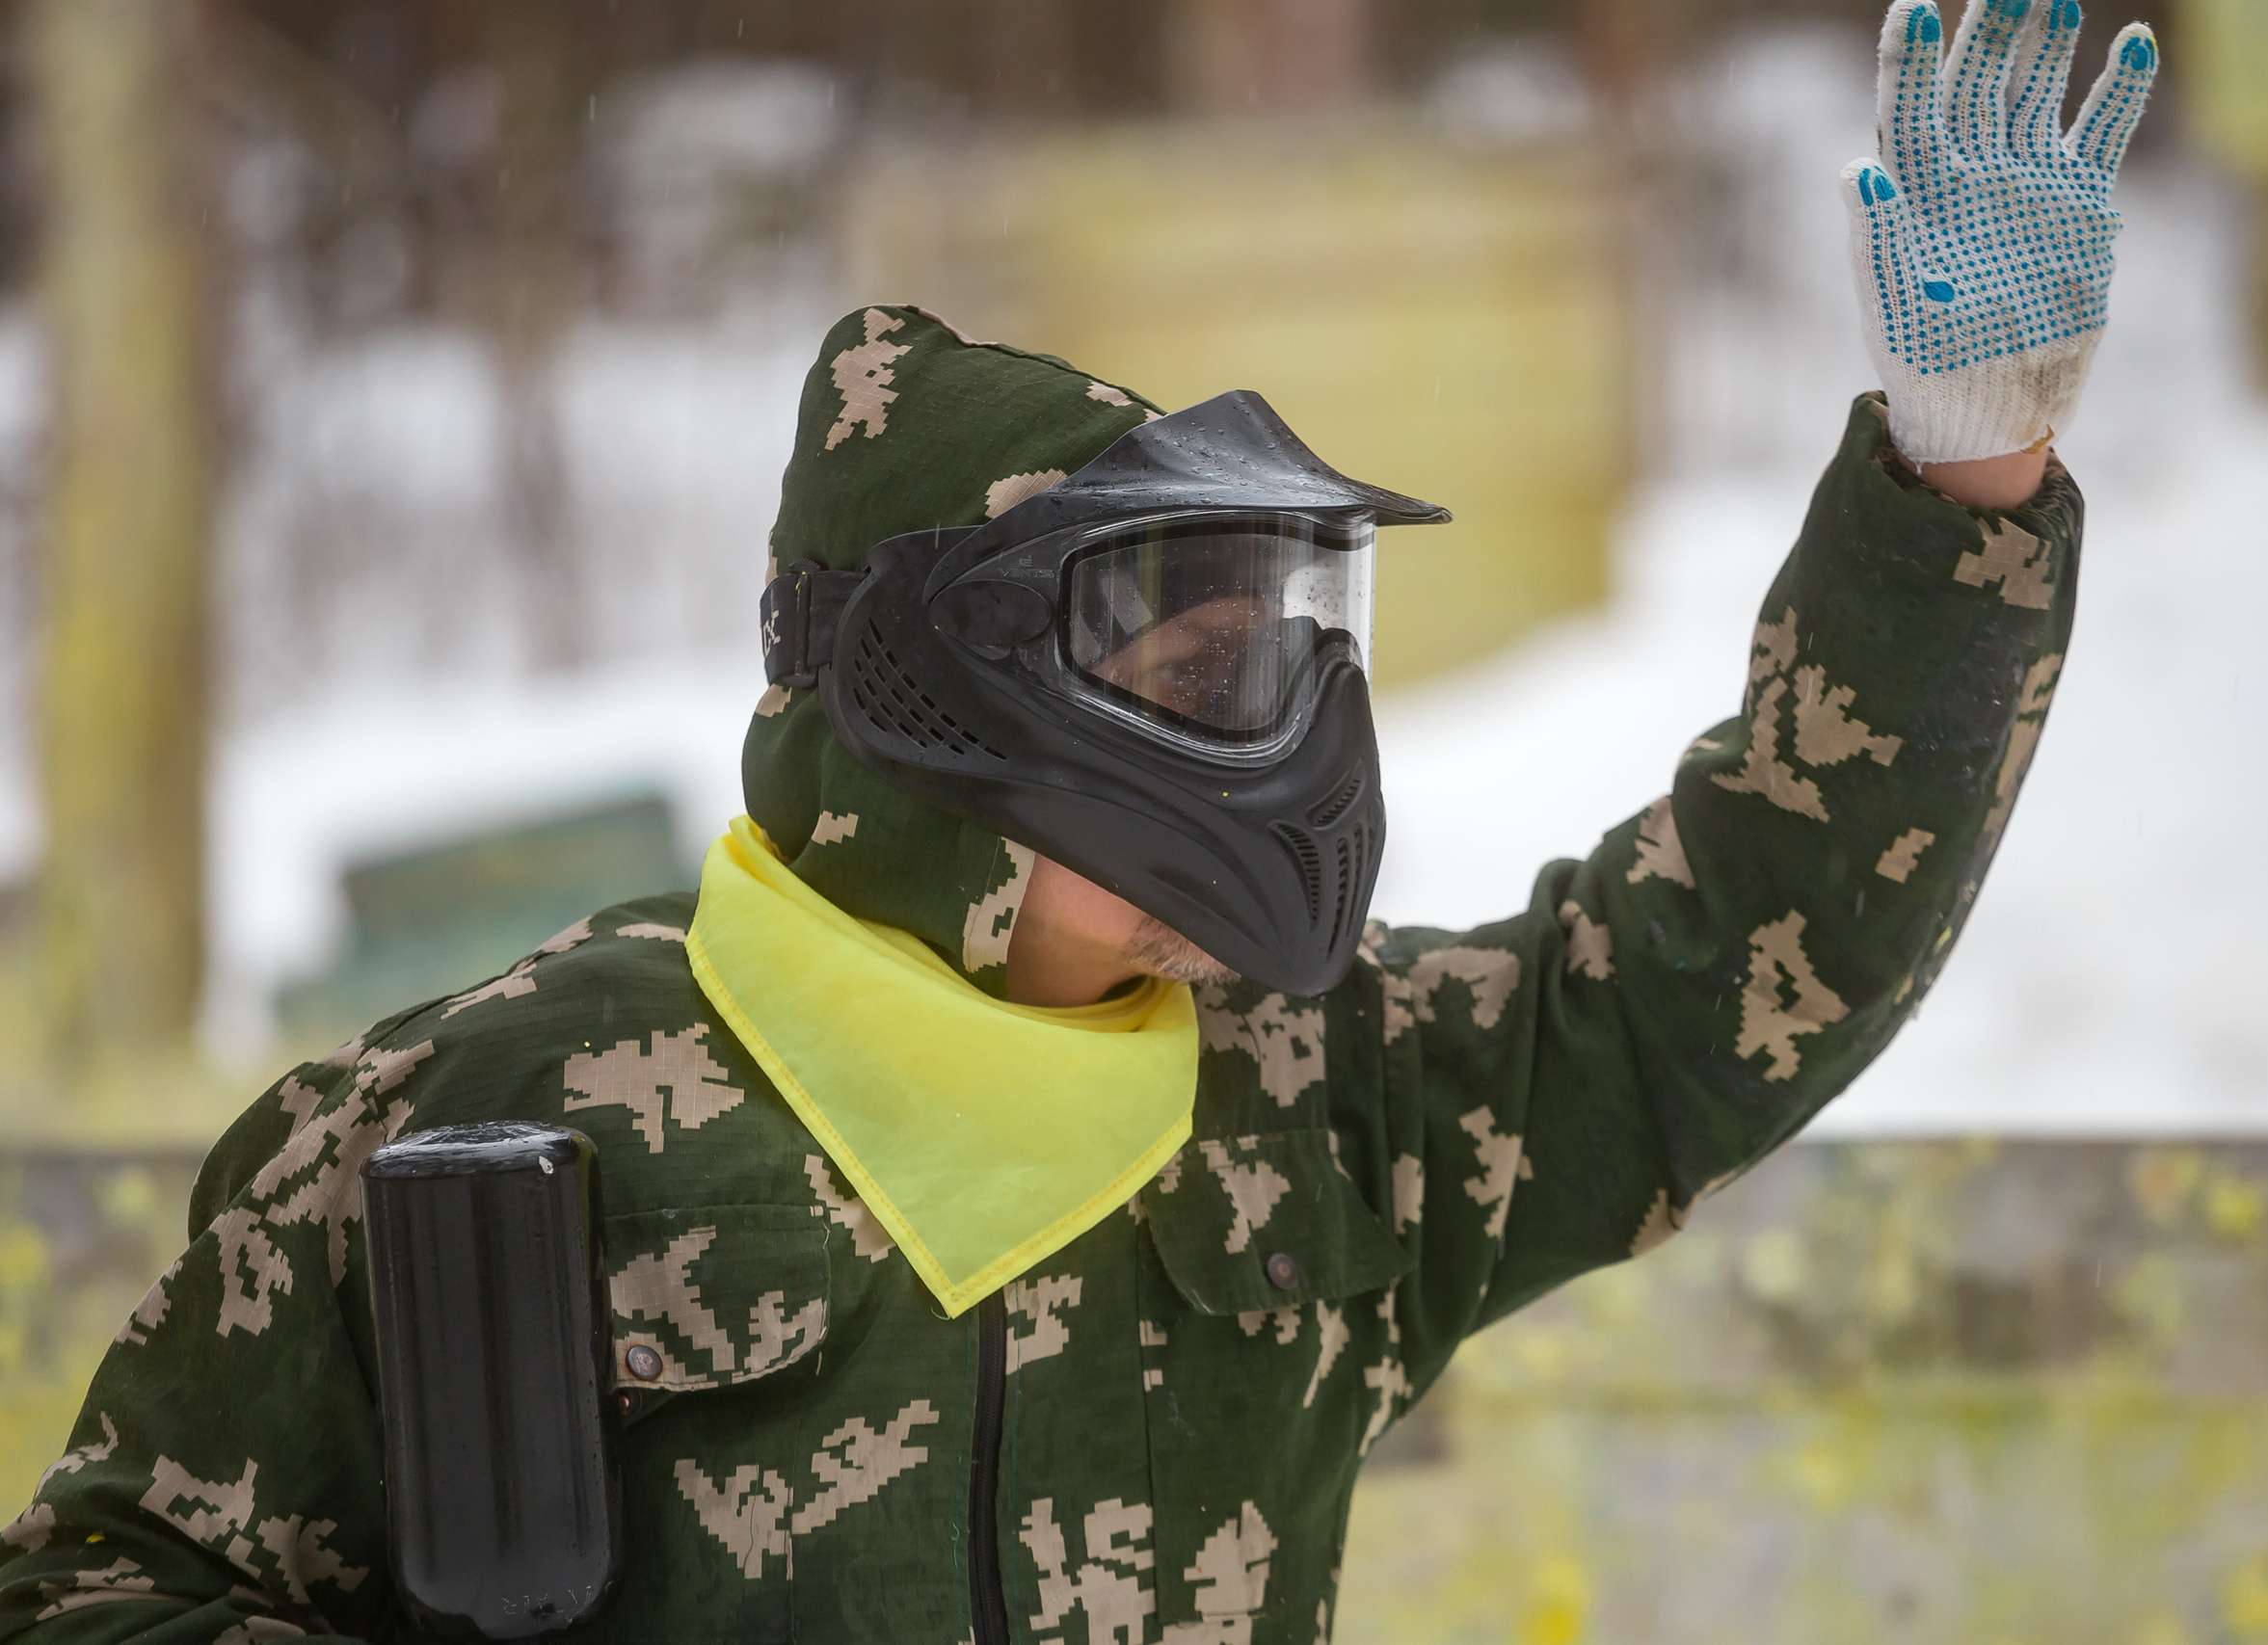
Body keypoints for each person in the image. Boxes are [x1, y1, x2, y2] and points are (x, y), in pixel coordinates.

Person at [0, 3, 2155, 1639]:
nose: (1272, 732)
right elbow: (100, 1586)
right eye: (1191, 666)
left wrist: (1953, 481)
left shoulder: (1324, 1113)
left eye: (1282, 651)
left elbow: (1737, 962)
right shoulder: (491, 1115)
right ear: (937, 701)